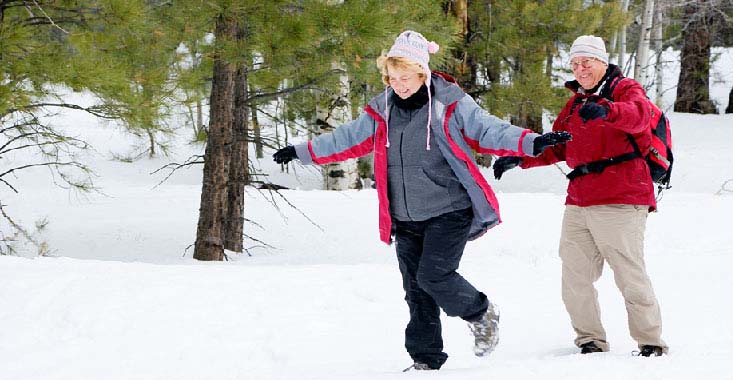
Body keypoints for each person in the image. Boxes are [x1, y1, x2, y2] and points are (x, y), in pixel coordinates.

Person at [273, 30, 570, 370]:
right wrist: (302, 151)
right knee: (416, 290)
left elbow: (488, 130)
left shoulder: (450, 103)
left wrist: (531, 142)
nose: (399, 85)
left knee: (434, 276)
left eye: (406, 77)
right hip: (405, 217)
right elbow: (347, 138)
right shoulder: (382, 110)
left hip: (449, 210)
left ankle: (481, 312)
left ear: (422, 73)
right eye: (393, 77)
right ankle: (425, 360)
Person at [493, 35, 668, 357]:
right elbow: (559, 145)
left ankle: (650, 342)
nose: (581, 68)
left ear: (603, 61)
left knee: (629, 274)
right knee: (574, 277)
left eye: (587, 61)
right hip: (579, 200)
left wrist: (608, 111)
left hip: (621, 196)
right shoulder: (576, 103)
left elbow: (640, 116)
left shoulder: (624, 90)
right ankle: (590, 340)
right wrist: (521, 158)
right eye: (575, 63)